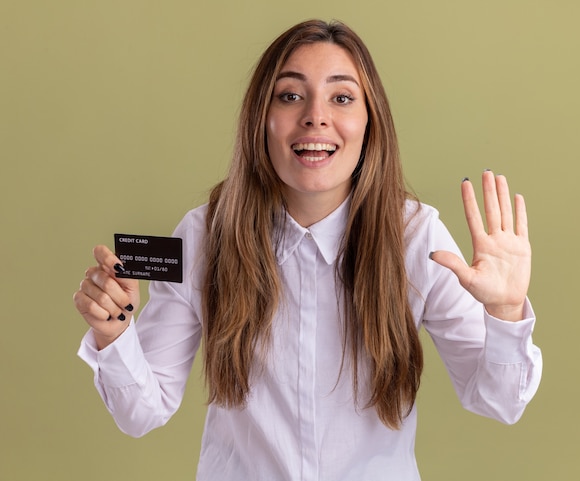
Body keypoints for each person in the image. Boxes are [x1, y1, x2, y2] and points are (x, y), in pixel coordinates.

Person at [74, 19, 542, 481]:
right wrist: (113, 332)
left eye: (341, 97)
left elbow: (499, 403)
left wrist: (504, 312)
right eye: (291, 95)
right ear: (262, 118)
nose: (316, 116)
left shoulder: (417, 237)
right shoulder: (202, 236)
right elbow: (142, 412)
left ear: (369, 122)